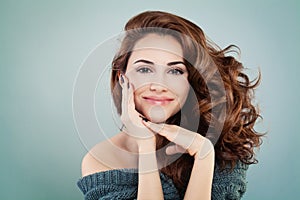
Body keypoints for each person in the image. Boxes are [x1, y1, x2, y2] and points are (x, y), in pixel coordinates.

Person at [77, 11, 262, 200]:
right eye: (145, 69)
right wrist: (146, 146)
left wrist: (204, 155)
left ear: (191, 82)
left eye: (175, 71)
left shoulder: (223, 146)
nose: (159, 85)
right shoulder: (101, 160)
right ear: (121, 77)